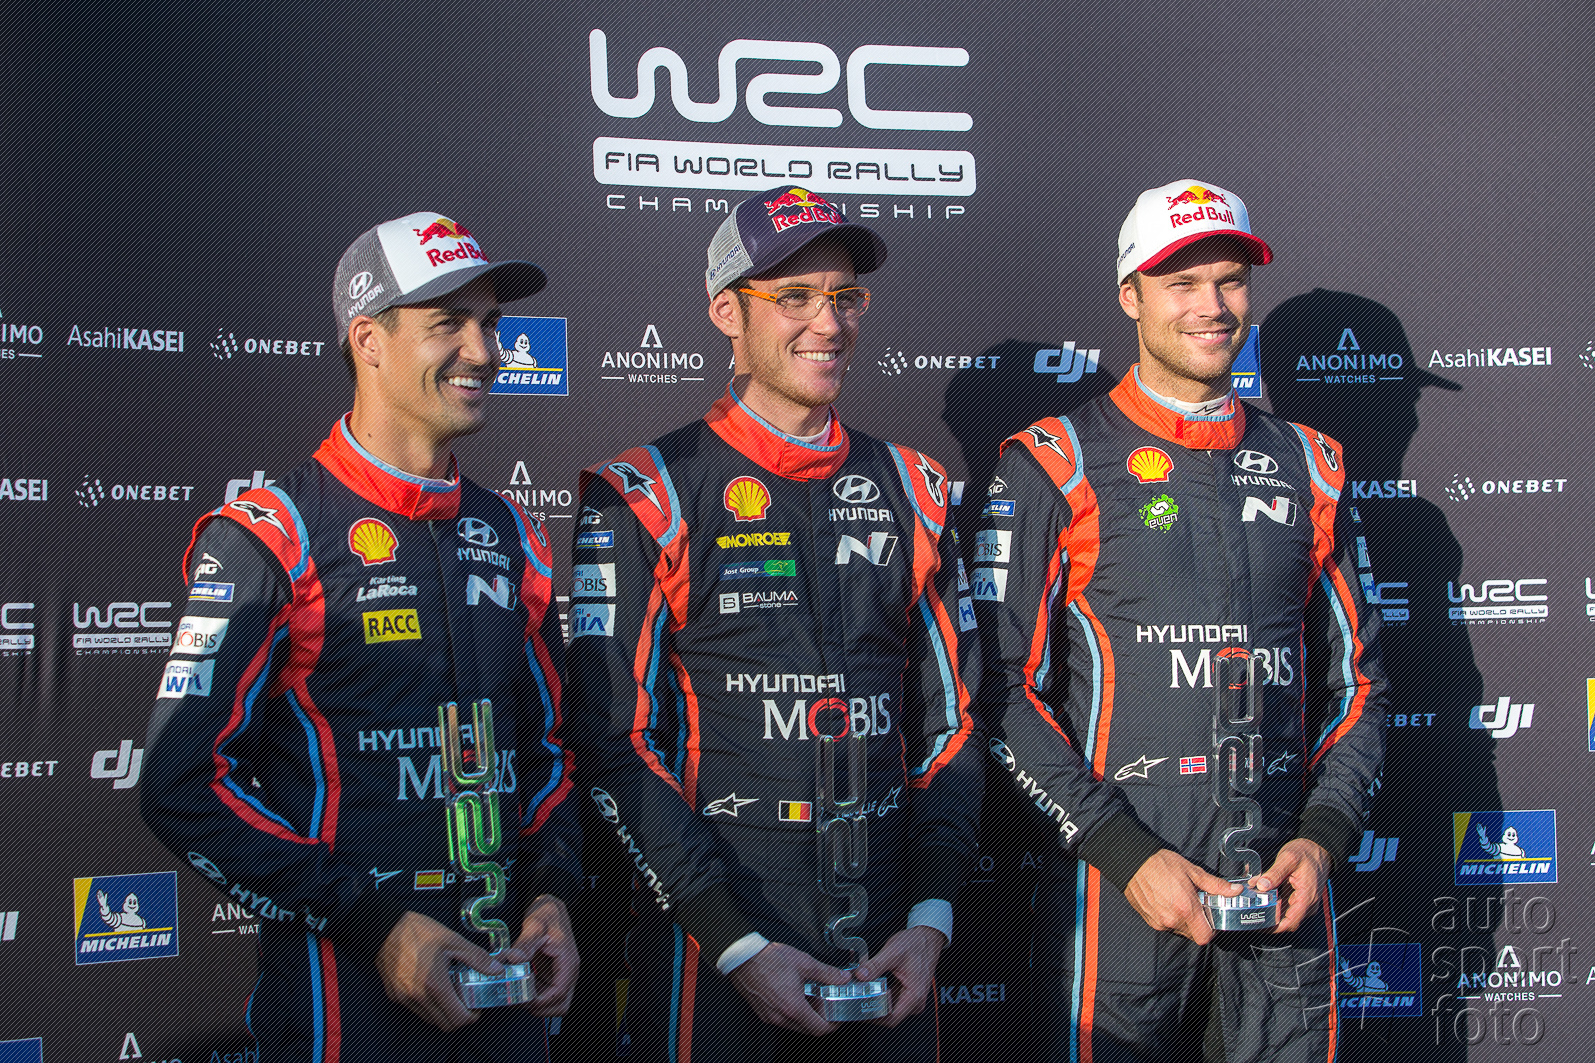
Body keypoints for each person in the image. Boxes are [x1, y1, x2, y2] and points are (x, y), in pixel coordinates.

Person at [140, 211, 580, 1062]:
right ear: (369, 340)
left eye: (490, 323)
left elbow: (549, 753)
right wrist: (370, 921)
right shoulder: (272, 533)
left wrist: (553, 891)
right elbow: (179, 783)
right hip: (344, 993)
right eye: (448, 323)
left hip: (507, 986)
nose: (485, 350)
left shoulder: (512, 532)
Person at [972, 179, 1386, 1062]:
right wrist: (1124, 852)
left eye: (1230, 280)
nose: (1212, 306)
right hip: (1120, 899)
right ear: (1130, 296)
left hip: (1282, 901)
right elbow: (999, 688)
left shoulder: (1311, 463)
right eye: (1181, 282)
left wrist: (1320, 839)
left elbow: (1359, 682)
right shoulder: (1055, 460)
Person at [567, 186, 979, 1061]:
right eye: (793, 297)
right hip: (720, 948)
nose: (827, 323)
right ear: (728, 312)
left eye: (843, 297)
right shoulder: (646, 490)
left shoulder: (916, 487)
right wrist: (733, 942)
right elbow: (614, 739)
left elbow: (955, 722)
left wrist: (931, 917)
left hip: (893, 949)